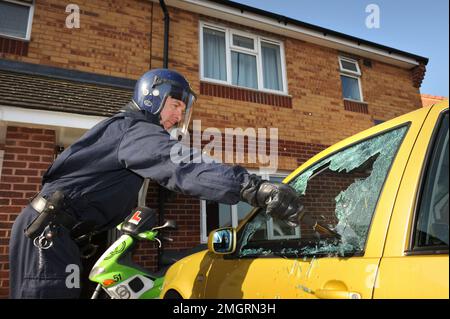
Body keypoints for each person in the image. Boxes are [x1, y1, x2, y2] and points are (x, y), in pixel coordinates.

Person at [9, 69, 303, 299]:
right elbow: (183, 166)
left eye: (181, 110)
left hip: (59, 234)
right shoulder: (135, 131)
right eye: (175, 105)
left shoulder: (127, 132)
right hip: (47, 234)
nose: (178, 117)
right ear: (153, 97)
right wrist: (254, 188)